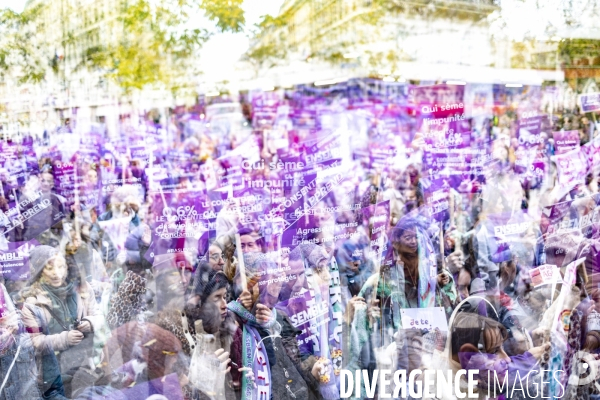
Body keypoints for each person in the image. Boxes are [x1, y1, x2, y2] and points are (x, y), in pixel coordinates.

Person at [20, 245, 105, 398]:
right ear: (39, 271)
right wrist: (64, 339)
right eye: (49, 268)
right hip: (52, 376)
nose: (57, 273)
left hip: (87, 365)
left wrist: (90, 322)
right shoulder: (32, 303)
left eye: (60, 266)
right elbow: (34, 343)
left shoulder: (82, 290)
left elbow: (100, 317)